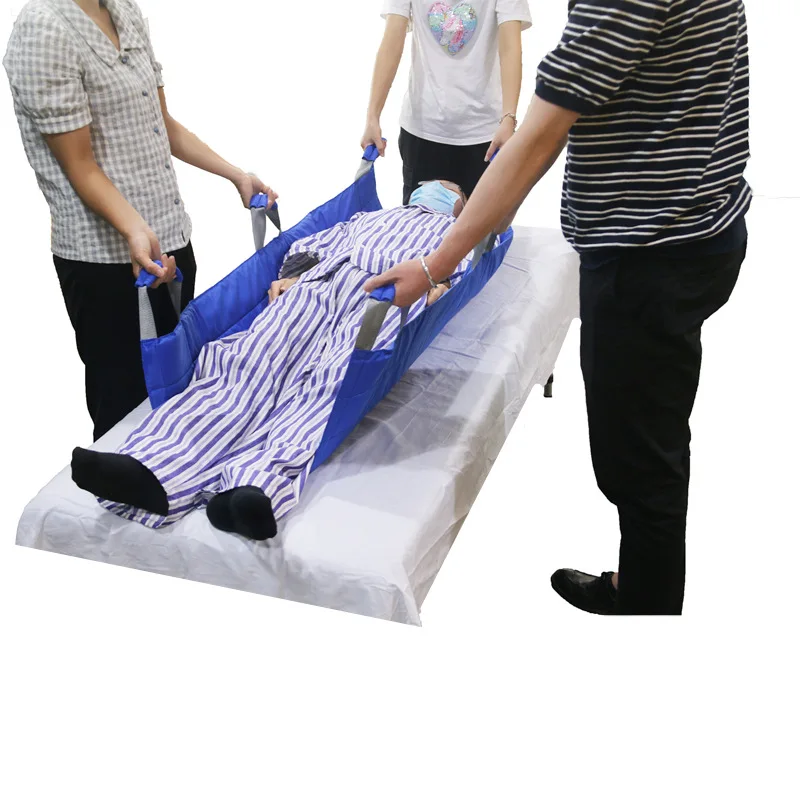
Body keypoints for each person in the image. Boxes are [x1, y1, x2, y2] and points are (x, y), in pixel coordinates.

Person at [366, 0, 752, 615]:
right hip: (699, 220)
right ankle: (642, 579)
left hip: (650, 252)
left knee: (639, 454)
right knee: (653, 430)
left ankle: (645, 605)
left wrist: (438, 263)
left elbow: (541, 136)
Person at [70, 180, 492, 541]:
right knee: (251, 358)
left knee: (329, 381)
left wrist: (435, 292)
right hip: (321, 285)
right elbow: (316, 244)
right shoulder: (370, 217)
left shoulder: (456, 233)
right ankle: (153, 468)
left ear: (459, 205)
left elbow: (454, 274)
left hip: (385, 301)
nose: (439, 187)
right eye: (436, 185)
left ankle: (253, 489)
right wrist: (291, 275)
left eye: (450, 188)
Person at [3, 0, 277, 441]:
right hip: (108, 263)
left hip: (166, 243)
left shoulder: (122, 10)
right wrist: (134, 228)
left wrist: (236, 175)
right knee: (124, 410)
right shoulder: (43, 28)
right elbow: (79, 165)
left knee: (180, 393)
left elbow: (162, 124)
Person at [362, 1, 532, 204]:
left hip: (485, 135)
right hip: (422, 130)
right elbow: (392, 42)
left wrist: (509, 118)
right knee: (420, 222)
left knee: (485, 222)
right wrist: (372, 117)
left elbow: (510, 48)